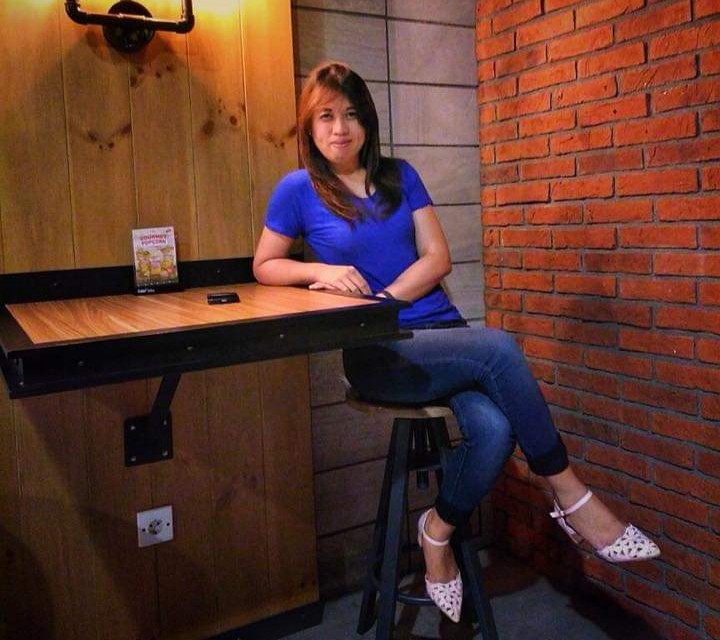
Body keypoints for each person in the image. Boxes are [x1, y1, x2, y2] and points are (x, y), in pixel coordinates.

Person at [253, 61, 660, 624]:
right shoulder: (297, 190)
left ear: (367, 121)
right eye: (325, 116)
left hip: (440, 333)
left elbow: (437, 257)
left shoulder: (400, 175)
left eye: (350, 114)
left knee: (493, 430)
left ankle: (436, 530)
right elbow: (265, 265)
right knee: (499, 348)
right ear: (309, 125)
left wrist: (384, 297)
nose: (339, 128)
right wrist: (318, 271)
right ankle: (571, 495)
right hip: (380, 352)